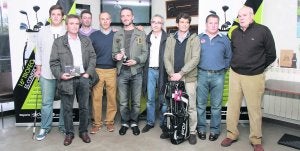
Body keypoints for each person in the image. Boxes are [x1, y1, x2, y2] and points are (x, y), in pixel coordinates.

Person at [220, 6, 276, 151]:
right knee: (232, 107)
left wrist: (258, 67)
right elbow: (234, 52)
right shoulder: (235, 33)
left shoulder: (263, 31)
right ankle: (231, 134)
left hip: (254, 76)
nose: (241, 18)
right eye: (239, 15)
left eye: (244, 15)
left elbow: (271, 54)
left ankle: (256, 140)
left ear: (252, 16)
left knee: (254, 109)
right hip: (235, 75)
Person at [50, 14, 97, 146]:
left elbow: (93, 57)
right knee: (67, 109)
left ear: (79, 25)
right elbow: (53, 62)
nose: (75, 26)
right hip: (67, 79)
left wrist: (88, 73)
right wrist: (60, 75)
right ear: (67, 25)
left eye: (77, 23)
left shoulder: (86, 40)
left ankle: (83, 131)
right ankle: (69, 133)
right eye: (72, 23)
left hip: (83, 78)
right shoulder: (59, 42)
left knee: (84, 107)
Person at [164, 12, 200, 145]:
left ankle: (192, 132)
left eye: (187, 22)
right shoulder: (170, 38)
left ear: (189, 24)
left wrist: (182, 73)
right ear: (177, 23)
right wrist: (172, 73)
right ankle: (175, 129)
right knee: (176, 105)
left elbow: (196, 59)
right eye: (182, 22)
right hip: (175, 80)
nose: (184, 24)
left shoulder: (194, 38)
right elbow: (166, 58)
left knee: (190, 106)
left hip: (188, 79)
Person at [112, 7, 148, 136]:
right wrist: (116, 56)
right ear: (121, 18)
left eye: (128, 15)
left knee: (136, 101)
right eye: (123, 16)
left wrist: (137, 60)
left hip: (136, 72)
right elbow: (113, 53)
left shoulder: (141, 33)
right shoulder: (117, 34)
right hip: (122, 72)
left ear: (133, 17)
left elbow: (145, 53)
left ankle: (134, 122)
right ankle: (124, 122)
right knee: (122, 101)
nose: (125, 18)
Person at [196, 14, 232, 141]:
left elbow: (229, 57)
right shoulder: (198, 38)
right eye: (211, 23)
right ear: (206, 24)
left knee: (216, 106)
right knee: (200, 104)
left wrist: (223, 69)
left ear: (218, 24)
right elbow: (194, 57)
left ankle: (215, 130)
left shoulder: (224, 40)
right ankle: (201, 129)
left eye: (216, 23)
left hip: (219, 76)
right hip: (202, 75)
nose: (213, 25)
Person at [34, 4, 65, 141]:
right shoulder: (42, 31)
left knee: (66, 101)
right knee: (46, 102)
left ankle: (64, 126)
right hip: (46, 72)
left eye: (58, 14)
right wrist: (38, 69)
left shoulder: (67, 29)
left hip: (64, 73)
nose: (56, 17)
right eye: (54, 14)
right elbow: (39, 51)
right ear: (50, 16)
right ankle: (44, 127)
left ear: (62, 16)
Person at [89, 11, 117, 134]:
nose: (105, 21)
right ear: (99, 21)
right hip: (97, 70)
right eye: (102, 19)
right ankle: (97, 123)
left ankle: (110, 122)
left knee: (112, 98)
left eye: (107, 19)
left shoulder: (117, 35)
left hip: (112, 70)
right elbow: (90, 55)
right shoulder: (93, 36)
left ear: (110, 20)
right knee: (96, 98)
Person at [141, 14, 168, 137]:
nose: (156, 24)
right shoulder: (146, 38)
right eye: (154, 22)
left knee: (163, 99)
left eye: (159, 22)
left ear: (162, 25)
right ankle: (150, 122)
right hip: (150, 71)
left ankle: (163, 122)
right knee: (150, 99)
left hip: (163, 71)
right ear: (151, 24)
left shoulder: (167, 38)